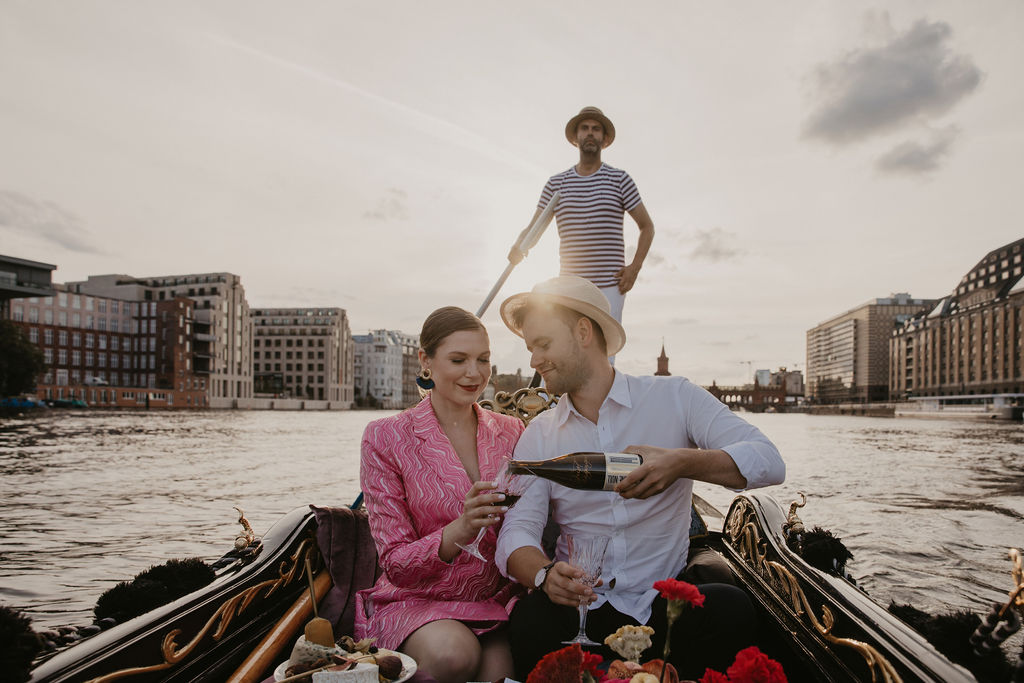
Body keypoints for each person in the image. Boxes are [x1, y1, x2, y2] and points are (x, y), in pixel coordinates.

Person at [493, 276, 786, 679]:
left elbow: (769, 461)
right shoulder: (540, 435)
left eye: (543, 345)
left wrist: (682, 463)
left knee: (731, 608)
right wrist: (544, 575)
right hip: (578, 609)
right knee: (529, 620)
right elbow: (517, 530)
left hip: (662, 604)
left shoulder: (675, 397)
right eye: (531, 349)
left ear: (583, 332)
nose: (534, 361)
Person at [356, 306, 525, 683]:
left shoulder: (512, 431)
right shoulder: (385, 437)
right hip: (415, 600)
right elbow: (395, 562)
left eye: (484, 360)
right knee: (453, 655)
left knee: (500, 675)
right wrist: (459, 529)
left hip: (491, 601)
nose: (474, 373)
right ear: (426, 361)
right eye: (458, 359)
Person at [510, 106, 655, 328]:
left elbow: (647, 227)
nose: (590, 133)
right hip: (570, 283)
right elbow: (534, 229)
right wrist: (518, 246)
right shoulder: (556, 184)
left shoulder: (619, 179)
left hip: (610, 284)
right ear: (576, 138)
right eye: (584, 128)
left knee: (604, 350)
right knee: (571, 347)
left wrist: (634, 267)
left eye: (596, 129)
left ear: (604, 139)